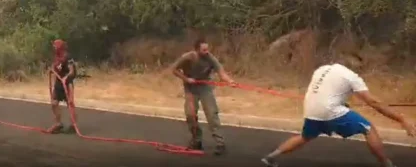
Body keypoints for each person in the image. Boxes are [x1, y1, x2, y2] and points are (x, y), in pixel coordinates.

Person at [260, 62, 416, 167]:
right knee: (368, 128)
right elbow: (373, 103)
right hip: (330, 110)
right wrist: (401, 119)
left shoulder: (322, 69)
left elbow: (327, 91)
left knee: (305, 137)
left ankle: (271, 156)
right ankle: (387, 164)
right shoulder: (352, 77)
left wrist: (341, 103)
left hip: (311, 109)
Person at [169, 38, 235, 155]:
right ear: (196, 50)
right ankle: (196, 141)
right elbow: (174, 69)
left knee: (212, 114)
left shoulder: (210, 58)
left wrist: (229, 81)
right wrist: (186, 79)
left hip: (205, 87)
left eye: (207, 49)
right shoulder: (188, 57)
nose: (207, 52)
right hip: (191, 89)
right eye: (204, 50)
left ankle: (220, 143)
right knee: (190, 115)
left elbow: (221, 72)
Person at [48, 39, 77, 134]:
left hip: (67, 83)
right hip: (59, 83)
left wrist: (65, 78)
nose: (54, 48)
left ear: (60, 47)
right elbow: (55, 66)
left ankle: (74, 125)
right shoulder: (56, 56)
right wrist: (52, 70)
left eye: (55, 46)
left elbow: (72, 71)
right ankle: (58, 124)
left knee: (70, 103)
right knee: (54, 103)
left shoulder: (67, 57)